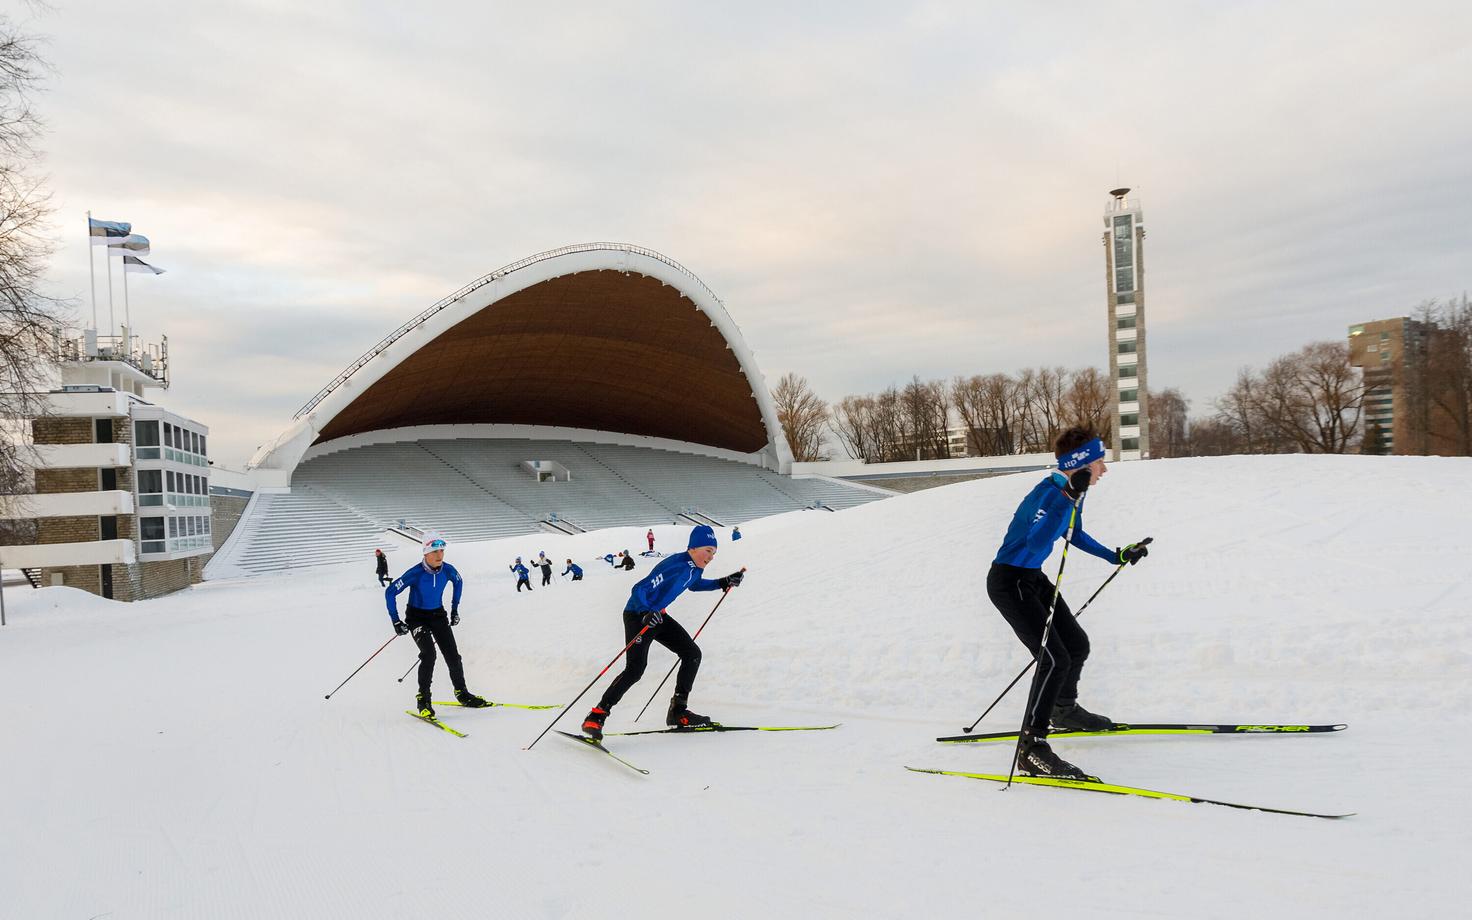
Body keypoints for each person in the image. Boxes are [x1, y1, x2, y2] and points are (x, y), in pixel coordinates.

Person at [987, 426, 1150, 780]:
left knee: (1076, 645)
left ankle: (1063, 709)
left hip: (1032, 579)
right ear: (1080, 464)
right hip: (1009, 581)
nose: (1104, 470)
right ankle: (1031, 748)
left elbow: (1072, 532)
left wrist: (1116, 555)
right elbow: (1034, 542)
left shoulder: (1071, 491)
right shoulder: (1047, 494)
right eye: (1099, 463)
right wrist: (1066, 498)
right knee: (1052, 659)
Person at [582, 525, 744, 739]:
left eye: (714, 552)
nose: (711, 556)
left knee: (692, 653)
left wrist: (722, 582)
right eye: (708, 550)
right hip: (638, 614)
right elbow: (639, 588)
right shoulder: (675, 565)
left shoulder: (695, 567)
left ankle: (678, 711)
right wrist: (646, 612)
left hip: (657, 616)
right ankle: (597, 715)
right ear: (693, 548)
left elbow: (694, 584)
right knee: (635, 670)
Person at [386, 533, 489, 717]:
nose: (439, 555)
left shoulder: (448, 569)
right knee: (429, 654)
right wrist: (396, 620)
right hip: (417, 618)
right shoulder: (415, 573)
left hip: (438, 615)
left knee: (453, 656)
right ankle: (423, 699)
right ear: (425, 553)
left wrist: (454, 609)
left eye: (442, 550)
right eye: (434, 551)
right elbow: (390, 592)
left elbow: (459, 582)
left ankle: (462, 693)